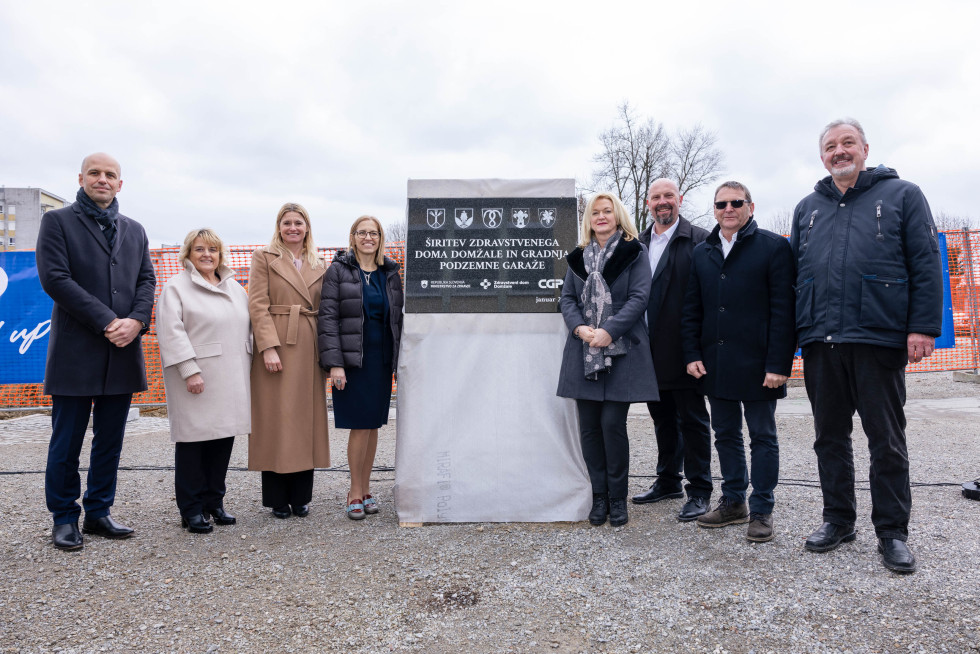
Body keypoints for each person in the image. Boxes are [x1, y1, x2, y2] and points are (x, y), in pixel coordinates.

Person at [791, 119, 942, 573]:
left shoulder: (903, 195)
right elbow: (795, 277)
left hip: (877, 338)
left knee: (887, 441)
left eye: (847, 143)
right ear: (823, 156)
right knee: (829, 438)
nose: (840, 151)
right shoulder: (807, 208)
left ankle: (892, 532)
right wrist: (796, 336)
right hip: (821, 341)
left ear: (865, 148)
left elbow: (925, 261)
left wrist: (922, 327)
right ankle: (838, 519)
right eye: (831, 146)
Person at [35, 153, 155, 551]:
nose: (103, 179)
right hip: (77, 350)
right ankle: (65, 518)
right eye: (95, 173)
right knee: (66, 440)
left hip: (122, 350)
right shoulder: (57, 222)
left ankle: (99, 511)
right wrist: (108, 321)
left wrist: (136, 322)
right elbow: (55, 278)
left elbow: (146, 281)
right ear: (82, 178)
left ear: (120, 184)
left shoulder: (134, 230)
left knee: (110, 439)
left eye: (111, 175)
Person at [681, 181, 795, 543]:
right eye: (720, 204)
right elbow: (691, 309)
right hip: (716, 363)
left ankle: (761, 508)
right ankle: (733, 500)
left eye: (735, 202)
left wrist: (779, 363)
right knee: (725, 434)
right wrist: (692, 354)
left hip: (761, 366)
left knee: (762, 436)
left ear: (750, 206)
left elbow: (783, 311)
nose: (728, 209)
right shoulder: (702, 252)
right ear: (714, 210)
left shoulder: (774, 248)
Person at [557, 192, 658, 528]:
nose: (601, 216)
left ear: (618, 216)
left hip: (621, 350)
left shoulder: (634, 252)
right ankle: (598, 497)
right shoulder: (578, 257)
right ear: (589, 219)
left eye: (607, 211)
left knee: (612, 426)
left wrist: (610, 331)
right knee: (589, 429)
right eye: (595, 212)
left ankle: (618, 499)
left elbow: (640, 297)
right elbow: (567, 299)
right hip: (584, 350)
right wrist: (580, 328)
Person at [157, 229, 251, 533]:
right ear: (188, 254)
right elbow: (171, 331)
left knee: (223, 441)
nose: (207, 255)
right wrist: (189, 369)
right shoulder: (176, 288)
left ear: (221, 254)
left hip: (232, 375)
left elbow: (247, 327)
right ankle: (191, 509)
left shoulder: (235, 287)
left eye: (213, 249)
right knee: (193, 443)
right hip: (198, 378)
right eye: (199, 249)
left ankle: (214, 502)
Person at [632, 178, 713, 522]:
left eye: (668, 196)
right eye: (656, 197)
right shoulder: (637, 244)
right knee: (662, 418)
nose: (662, 202)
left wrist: (699, 347)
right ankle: (668, 480)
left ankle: (700, 490)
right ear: (648, 203)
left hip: (685, 350)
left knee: (693, 421)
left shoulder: (699, 241)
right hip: (648, 350)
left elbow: (710, 299)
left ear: (679, 199)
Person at [317, 216, 404, 519]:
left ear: (381, 238)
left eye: (374, 233)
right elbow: (327, 321)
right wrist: (335, 365)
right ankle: (354, 491)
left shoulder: (389, 273)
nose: (368, 237)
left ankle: (367, 489)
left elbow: (398, 319)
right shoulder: (338, 271)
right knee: (359, 425)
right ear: (352, 237)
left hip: (381, 360)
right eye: (362, 233)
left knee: (373, 424)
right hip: (353, 361)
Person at [248, 203, 330, 519]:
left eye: (298, 222)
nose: (293, 228)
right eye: (287, 223)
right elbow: (257, 304)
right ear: (278, 227)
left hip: (309, 345)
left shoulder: (320, 262)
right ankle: (276, 498)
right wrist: (268, 346)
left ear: (307, 227)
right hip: (278, 343)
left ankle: (301, 496)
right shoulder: (263, 257)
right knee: (276, 420)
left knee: (304, 419)